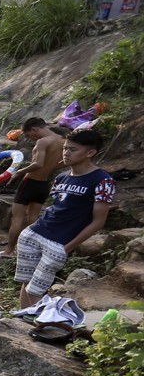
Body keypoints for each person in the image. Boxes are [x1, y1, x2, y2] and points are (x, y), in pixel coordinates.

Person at [15, 130, 115, 309]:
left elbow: (98, 221)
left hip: (59, 242)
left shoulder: (103, 181)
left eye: (73, 149)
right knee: (27, 282)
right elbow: (57, 207)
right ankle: (24, 319)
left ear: (90, 152)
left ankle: (38, 325)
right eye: (65, 148)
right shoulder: (61, 177)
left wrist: (67, 247)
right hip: (33, 233)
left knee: (37, 289)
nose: (66, 153)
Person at [0, 118, 67, 258]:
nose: (31, 139)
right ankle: (30, 250)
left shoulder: (42, 141)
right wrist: (50, 167)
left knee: (17, 219)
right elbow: (64, 162)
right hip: (43, 184)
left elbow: (38, 163)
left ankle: (9, 251)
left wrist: (19, 172)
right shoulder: (63, 140)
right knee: (33, 218)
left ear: (35, 129)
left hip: (30, 182)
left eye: (29, 135)